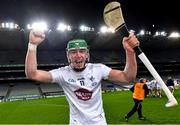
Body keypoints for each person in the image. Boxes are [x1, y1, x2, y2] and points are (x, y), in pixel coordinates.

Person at [25, 30, 139, 125]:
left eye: (82, 51)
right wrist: (32, 45)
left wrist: (130, 52)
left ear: (87, 54)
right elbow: (32, 74)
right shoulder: (62, 73)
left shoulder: (99, 69)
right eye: (73, 52)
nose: (78, 55)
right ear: (68, 56)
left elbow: (128, 78)